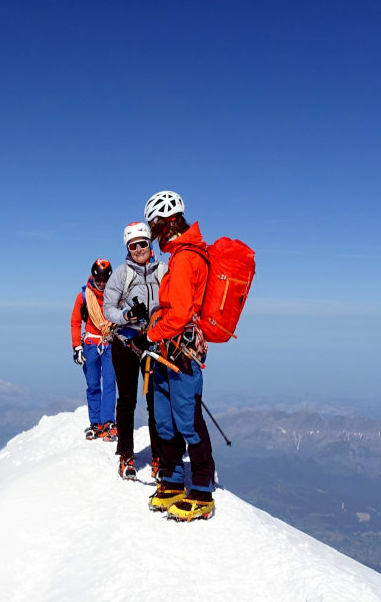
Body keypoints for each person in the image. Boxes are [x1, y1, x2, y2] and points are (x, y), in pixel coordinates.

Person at [131, 190, 216, 521]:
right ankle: (171, 481)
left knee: (187, 421)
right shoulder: (183, 255)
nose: (152, 235)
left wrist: (151, 334)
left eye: (153, 227)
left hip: (180, 354)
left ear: (163, 224)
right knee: (164, 418)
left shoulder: (184, 259)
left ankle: (202, 491)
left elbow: (179, 313)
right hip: (169, 353)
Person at [101, 221, 167, 480]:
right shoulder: (121, 273)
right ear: (128, 248)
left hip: (154, 341)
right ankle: (126, 455)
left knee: (155, 402)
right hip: (126, 342)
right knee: (127, 400)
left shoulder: (163, 270)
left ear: (150, 245)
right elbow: (108, 308)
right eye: (133, 245)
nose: (139, 249)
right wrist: (127, 315)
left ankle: (159, 456)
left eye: (143, 244)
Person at [70, 259, 117, 441]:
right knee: (93, 384)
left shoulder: (116, 296)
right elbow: (75, 322)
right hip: (91, 344)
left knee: (110, 382)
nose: (102, 283)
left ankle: (108, 422)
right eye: (100, 279)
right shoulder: (84, 296)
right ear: (94, 277)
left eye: (106, 279)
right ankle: (95, 422)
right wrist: (77, 347)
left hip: (110, 343)